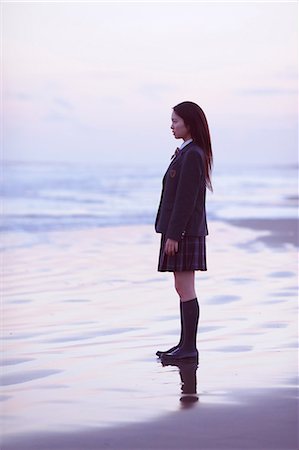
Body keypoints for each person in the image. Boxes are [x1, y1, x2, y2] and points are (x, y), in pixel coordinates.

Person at [155, 101, 213, 361]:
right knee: (182, 287)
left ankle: (189, 348)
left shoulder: (193, 155)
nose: (171, 125)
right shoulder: (186, 152)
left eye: (176, 121)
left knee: (185, 287)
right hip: (183, 231)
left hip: (184, 232)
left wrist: (174, 234)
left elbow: (186, 199)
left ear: (189, 123)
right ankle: (184, 345)